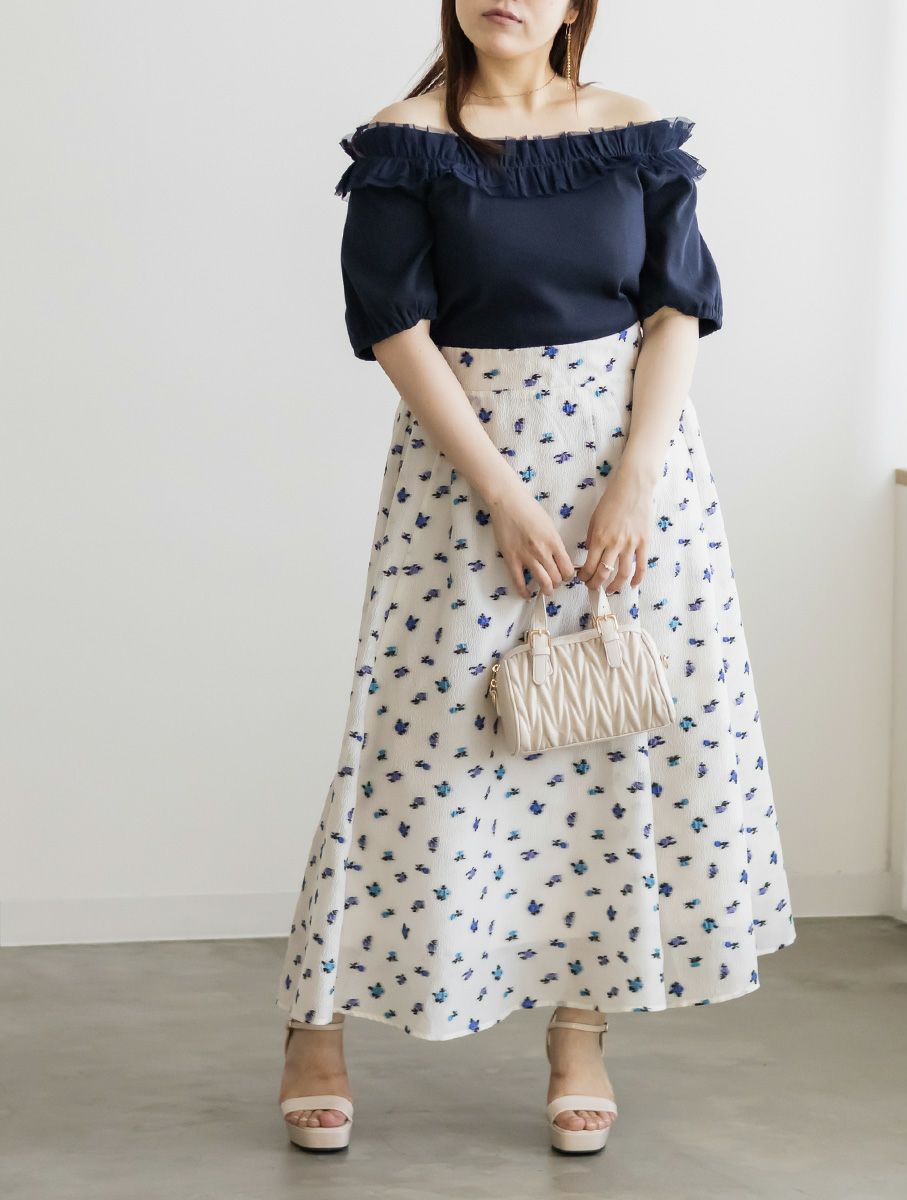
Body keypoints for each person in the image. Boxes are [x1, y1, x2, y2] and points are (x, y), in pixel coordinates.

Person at [276, 0, 796, 1156]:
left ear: (574, 5)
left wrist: (636, 478)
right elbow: (396, 329)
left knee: (608, 744)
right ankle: (315, 1023)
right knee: (414, 751)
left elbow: (676, 307)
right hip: (467, 475)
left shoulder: (630, 129)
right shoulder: (406, 139)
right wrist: (503, 497)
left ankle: (579, 1034)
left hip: (634, 476)